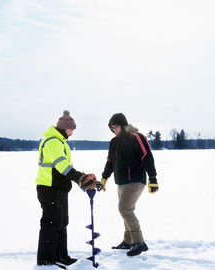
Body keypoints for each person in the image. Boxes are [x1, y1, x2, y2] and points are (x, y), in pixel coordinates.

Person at [36, 110, 97, 267]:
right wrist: (80, 178)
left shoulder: (60, 141)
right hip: (49, 187)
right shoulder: (53, 141)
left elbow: (66, 167)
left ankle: (61, 256)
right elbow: (62, 165)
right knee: (50, 223)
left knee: (62, 222)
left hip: (59, 188)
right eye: (71, 130)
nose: (72, 133)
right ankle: (46, 259)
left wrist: (81, 180)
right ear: (63, 128)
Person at [97, 113, 159, 256]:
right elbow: (110, 162)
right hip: (121, 181)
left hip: (135, 180)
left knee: (124, 209)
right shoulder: (114, 142)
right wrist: (104, 178)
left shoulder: (137, 137)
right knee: (127, 209)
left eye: (116, 127)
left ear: (124, 125)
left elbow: (147, 157)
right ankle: (128, 241)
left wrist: (153, 179)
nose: (114, 130)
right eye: (111, 128)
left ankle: (139, 242)